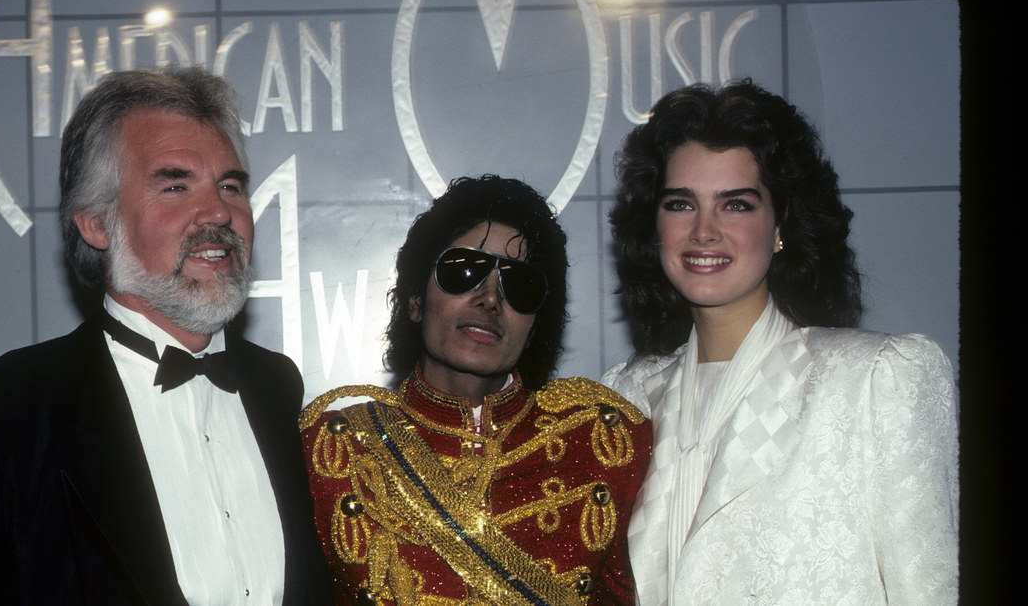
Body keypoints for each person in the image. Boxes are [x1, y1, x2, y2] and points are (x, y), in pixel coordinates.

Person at [0, 67, 330, 605]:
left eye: (230, 185)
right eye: (175, 184)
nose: (219, 212)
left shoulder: (278, 388)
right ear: (95, 222)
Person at [603, 80, 958, 605]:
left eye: (736, 205)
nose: (704, 231)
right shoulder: (622, 398)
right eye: (681, 204)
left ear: (780, 226)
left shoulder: (877, 380)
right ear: (654, 225)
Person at [299, 175, 652, 606]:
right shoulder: (328, 452)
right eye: (464, 270)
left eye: (519, 284)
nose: (489, 298)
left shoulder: (606, 444)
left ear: (536, 322)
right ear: (413, 298)